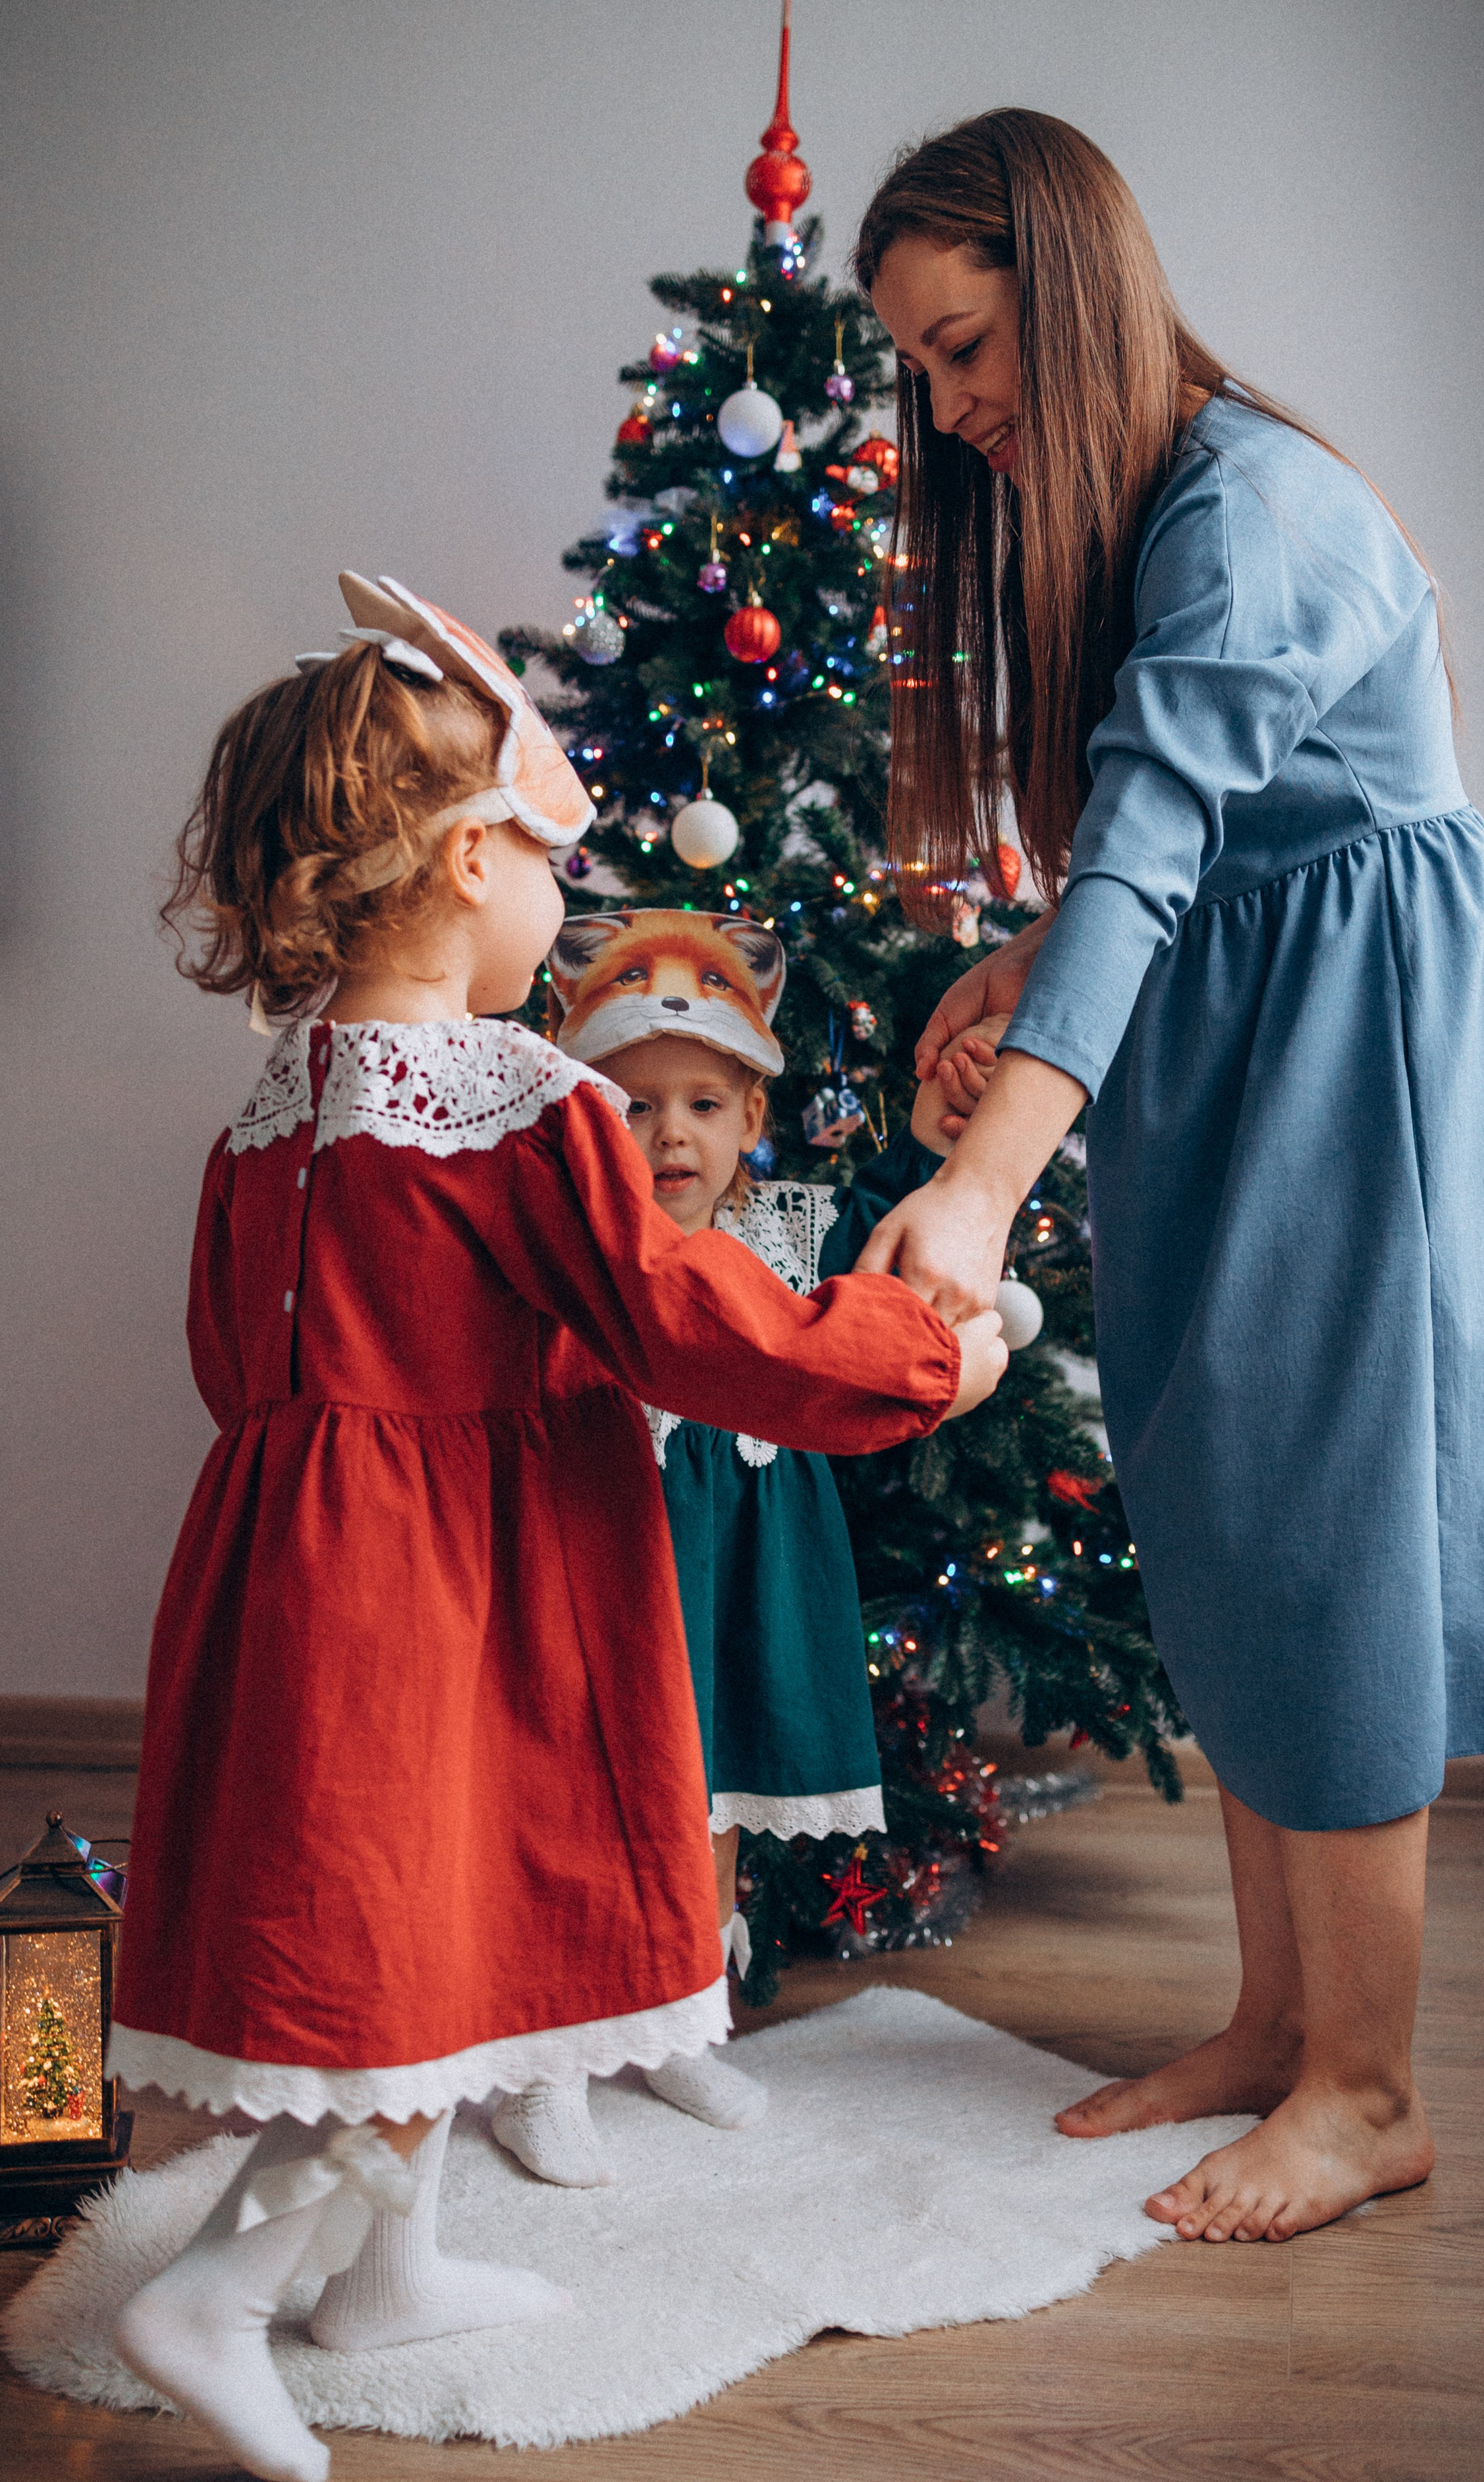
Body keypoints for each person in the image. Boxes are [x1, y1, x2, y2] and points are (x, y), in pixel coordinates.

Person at [107, 574, 1003, 2482]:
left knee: (406, 1930)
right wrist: (921, 1354)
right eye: (546, 864)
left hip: (290, 1574)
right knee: (403, 1961)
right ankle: (224, 2285)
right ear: (463, 863)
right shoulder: (515, 1100)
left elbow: (227, 1358)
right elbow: (688, 1317)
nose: (558, 906)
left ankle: (384, 2282)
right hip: (448, 1594)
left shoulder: (276, 1106)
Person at [851, 112, 1484, 2245]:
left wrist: (979, 1190)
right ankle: (1278, 2024)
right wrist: (1023, 960)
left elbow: (1164, 850)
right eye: (921, 368)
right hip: (1250, 1028)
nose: (950, 409)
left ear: (1067, 289)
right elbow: (1167, 852)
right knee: (1239, 1509)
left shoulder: (1254, 513)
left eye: (966, 349)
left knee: (1335, 1530)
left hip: (1363, 1051)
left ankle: (1372, 2088)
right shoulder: (1160, 510)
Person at [491, 909, 959, 2176]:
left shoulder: (792, 1231)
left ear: (753, 1117)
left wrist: (935, 1139)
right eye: (635, 1107)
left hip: (742, 1580)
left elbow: (897, 1234)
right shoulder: (571, 1252)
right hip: (608, 1571)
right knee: (580, 1805)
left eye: (704, 1106)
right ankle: (548, 2061)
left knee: (713, 1806)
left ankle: (683, 2019)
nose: (671, 1136)